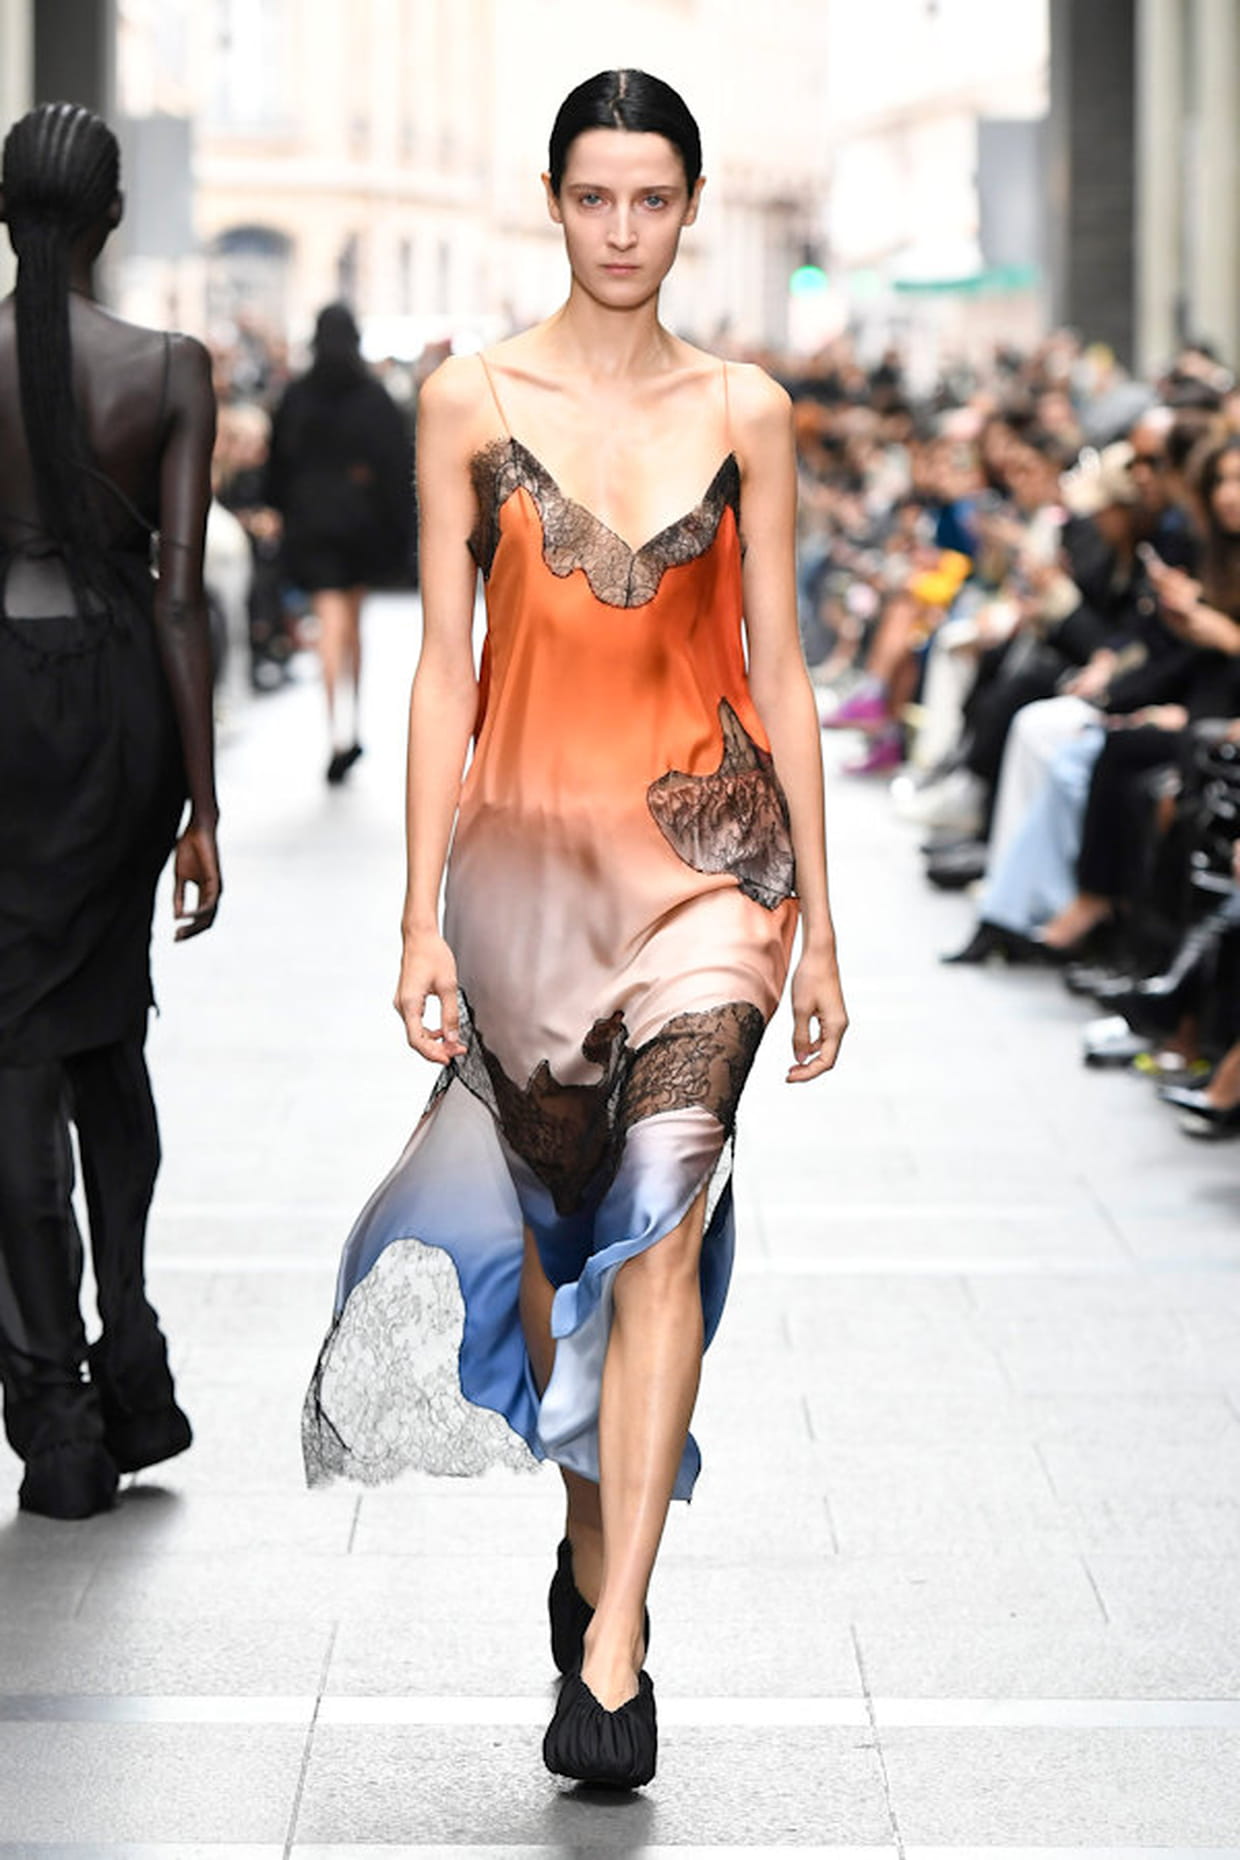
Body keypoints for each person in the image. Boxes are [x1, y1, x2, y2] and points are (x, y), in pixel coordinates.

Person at [303, 69, 847, 1789]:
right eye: (595, 197)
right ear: (554, 201)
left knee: (663, 1224)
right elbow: (443, 672)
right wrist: (416, 916)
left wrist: (823, 932)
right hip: (525, 881)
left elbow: (783, 668)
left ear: (690, 208)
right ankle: (592, 1533)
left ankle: (614, 1651)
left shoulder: (750, 409)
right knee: (560, 1248)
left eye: (652, 199)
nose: (623, 230)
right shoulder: (467, 400)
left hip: (710, 881)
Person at [0, 104, 220, 1519]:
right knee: (104, 1026)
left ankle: (56, 1417)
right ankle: (129, 1351)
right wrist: (204, 804)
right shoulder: (170, 368)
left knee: (11, 1051)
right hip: (123, 719)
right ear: (115, 217)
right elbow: (179, 599)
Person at [265, 302, 414, 783]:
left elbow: (277, 465)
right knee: (350, 623)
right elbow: (397, 466)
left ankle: (337, 729)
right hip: (361, 522)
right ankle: (353, 719)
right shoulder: (373, 397)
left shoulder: (297, 396)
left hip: (311, 522)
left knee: (329, 622)